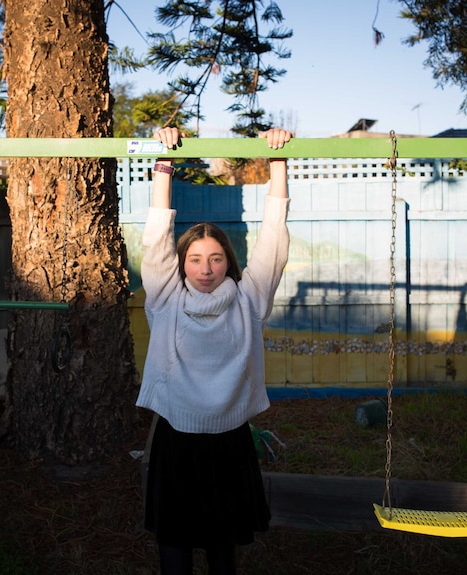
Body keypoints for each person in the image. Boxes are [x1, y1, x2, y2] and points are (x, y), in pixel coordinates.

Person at [136, 126, 292, 575]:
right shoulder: (167, 298)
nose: (206, 269)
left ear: (229, 260)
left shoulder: (249, 299)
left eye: (216, 258)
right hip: (176, 441)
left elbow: (274, 241)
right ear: (181, 264)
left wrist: (277, 161)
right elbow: (156, 237)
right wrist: (163, 162)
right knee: (176, 547)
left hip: (228, 442)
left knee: (223, 549)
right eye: (196, 259)